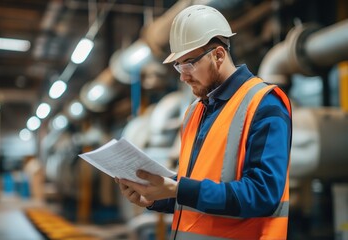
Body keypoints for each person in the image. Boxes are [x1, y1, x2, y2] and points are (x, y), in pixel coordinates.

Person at [115, 5, 292, 240]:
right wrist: (155, 196)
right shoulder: (194, 112)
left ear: (218, 55)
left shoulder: (263, 103)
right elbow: (197, 191)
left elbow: (263, 194)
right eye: (178, 65)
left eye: (188, 63)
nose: (182, 75)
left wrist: (177, 188)